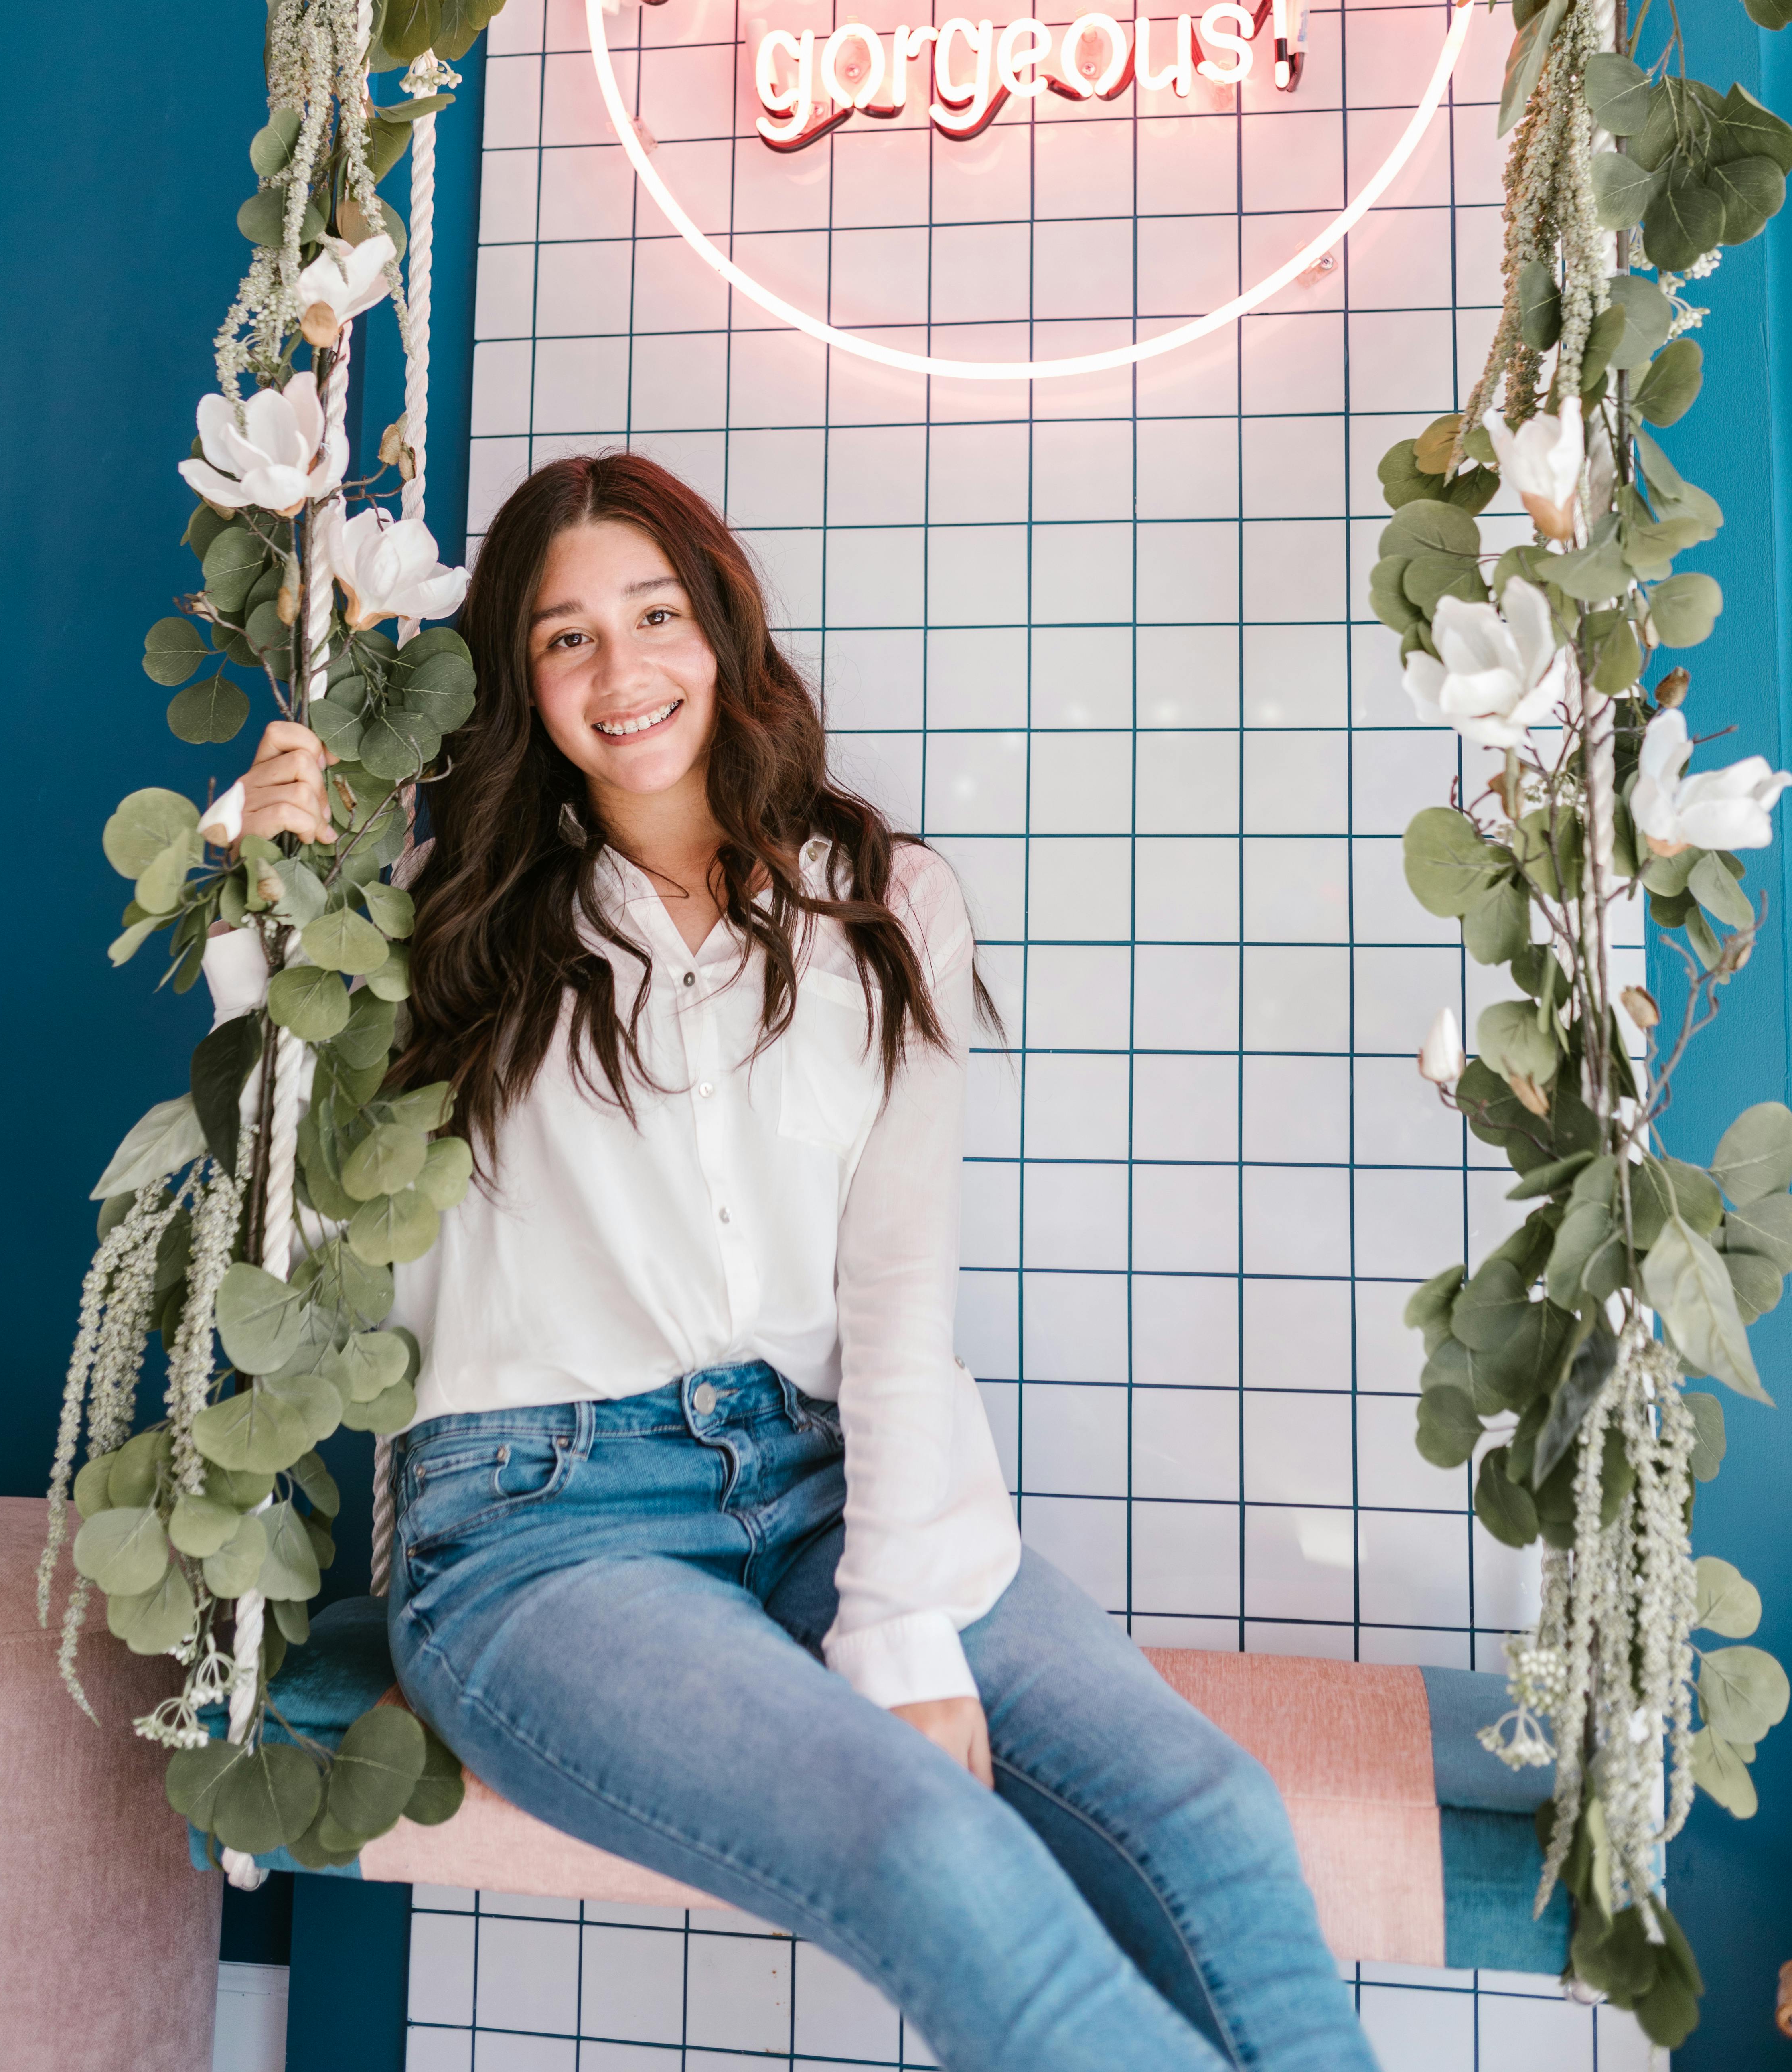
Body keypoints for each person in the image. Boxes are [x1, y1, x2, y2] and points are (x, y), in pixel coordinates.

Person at [229, 450, 1376, 2072]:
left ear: (722, 625)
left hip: (818, 1478)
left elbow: (899, 1300)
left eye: (653, 614)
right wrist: (266, 912)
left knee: (1207, 1812)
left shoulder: (884, 903)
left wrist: (900, 1630)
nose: (621, 672)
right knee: (938, 1857)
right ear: (519, 680)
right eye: (564, 639)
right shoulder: (439, 914)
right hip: (538, 1526)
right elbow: (311, 1234)